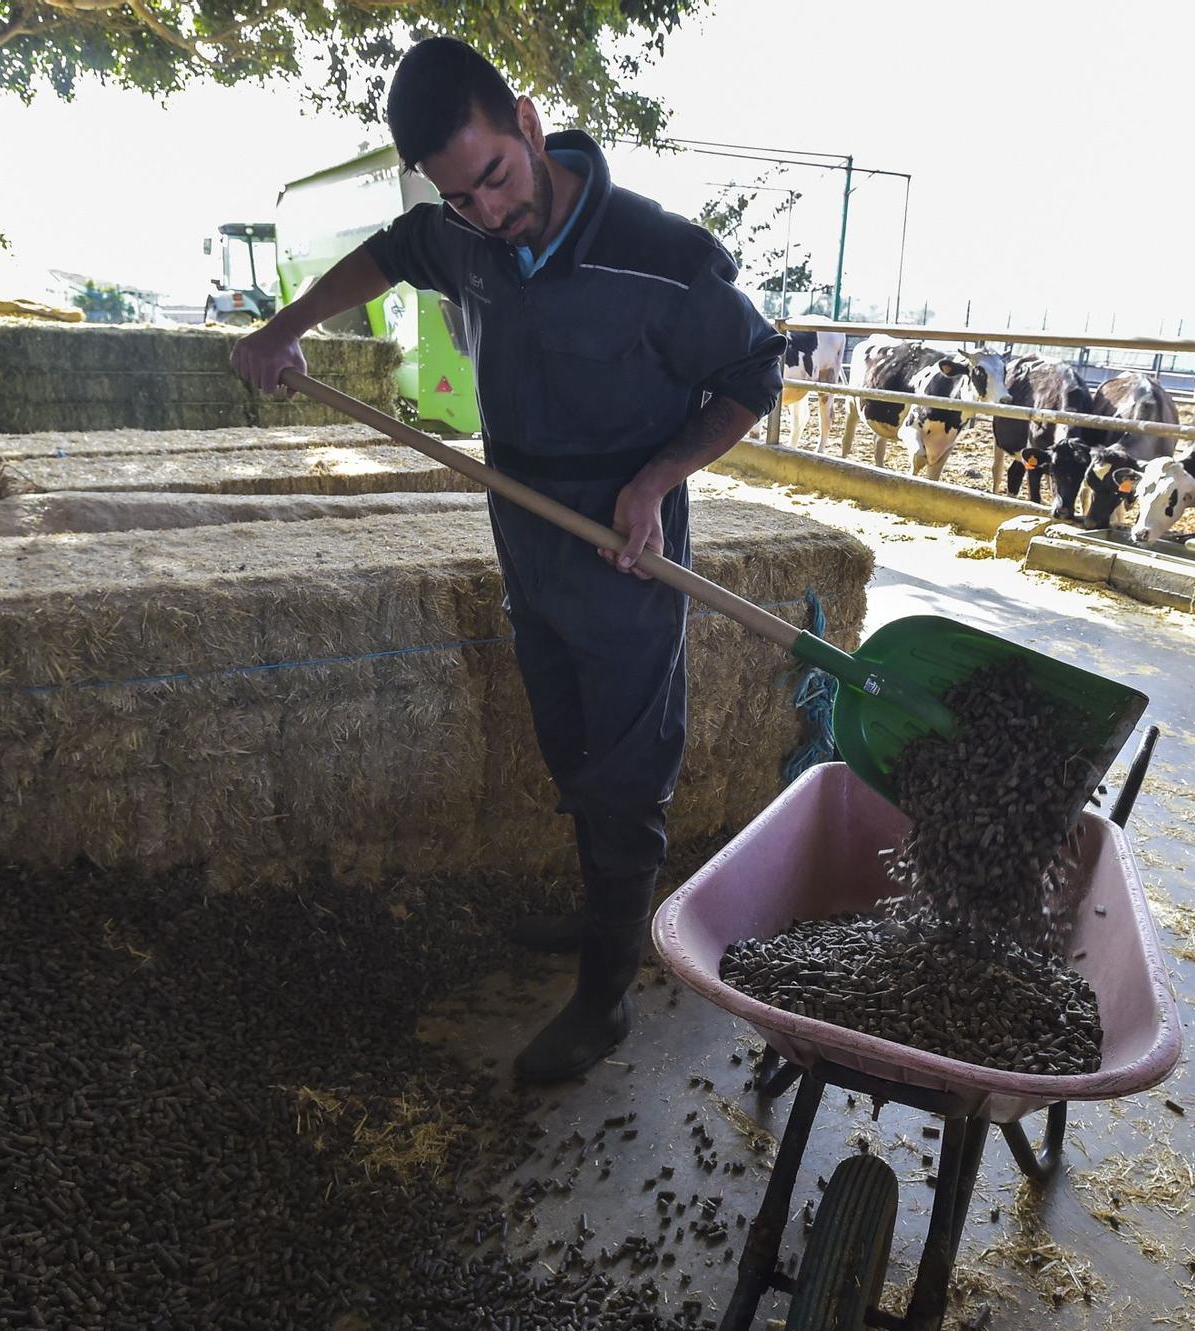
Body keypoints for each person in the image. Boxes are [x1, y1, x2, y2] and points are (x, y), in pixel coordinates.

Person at [231, 37, 784, 1083]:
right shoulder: (463, 237)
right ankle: (596, 917)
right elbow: (395, 251)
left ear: (529, 124)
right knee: (567, 742)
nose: (487, 212)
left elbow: (755, 372)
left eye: (493, 176)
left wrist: (658, 479)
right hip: (526, 530)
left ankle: (605, 995)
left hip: (622, 541)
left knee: (625, 768)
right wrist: (284, 326)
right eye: (459, 194)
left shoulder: (658, 254)